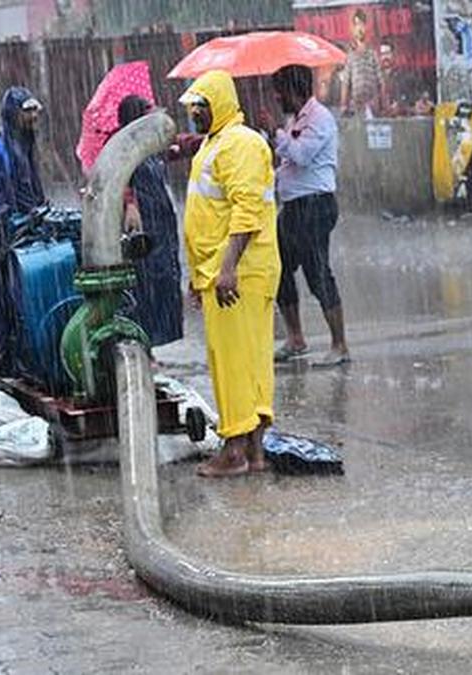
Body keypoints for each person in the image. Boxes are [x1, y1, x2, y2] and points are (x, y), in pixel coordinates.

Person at [179, 70, 281, 478]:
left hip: (238, 274)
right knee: (251, 362)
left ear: (218, 104)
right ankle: (255, 453)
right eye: (191, 108)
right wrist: (200, 272)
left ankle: (234, 449)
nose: (194, 115)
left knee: (233, 364)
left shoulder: (238, 144)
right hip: (226, 271)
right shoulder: (217, 143)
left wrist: (225, 270)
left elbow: (245, 212)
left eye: (200, 107)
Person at [257, 65, 350, 365]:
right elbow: (288, 164)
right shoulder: (295, 119)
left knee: (318, 273)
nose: (276, 96)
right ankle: (295, 338)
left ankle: (340, 345)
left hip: (315, 205)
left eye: (280, 90)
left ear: (294, 91)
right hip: (293, 206)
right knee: (279, 267)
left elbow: (301, 155)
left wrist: (276, 134)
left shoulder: (320, 118)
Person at [0, 86, 46, 377]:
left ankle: (26, 362)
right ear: (14, 113)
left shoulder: (26, 142)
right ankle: (7, 368)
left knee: (28, 299)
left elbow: (31, 188)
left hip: (29, 230)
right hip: (8, 236)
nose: (33, 116)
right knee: (10, 300)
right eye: (27, 111)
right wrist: (11, 233)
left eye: (35, 110)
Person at [116, 95, 184, 350]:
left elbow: (176, 148)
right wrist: (130, 202)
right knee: (145, 284)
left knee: (163, 280)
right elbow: (120, 179)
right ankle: (143, 342)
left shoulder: (151, 147)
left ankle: (153, 340)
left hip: (162, 224)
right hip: (145, 227)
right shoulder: (125, 148)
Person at [339, 9, 385, 117]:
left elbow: (381, 82)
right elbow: (346, 83)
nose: (359, 28)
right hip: (356, 106)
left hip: (373, 105)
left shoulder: (372, 54)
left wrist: (383, 105)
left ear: (366, 27)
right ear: (353, 28)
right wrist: (343, 105)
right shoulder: (350, 55)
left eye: (362, 24)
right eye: (356, 24)